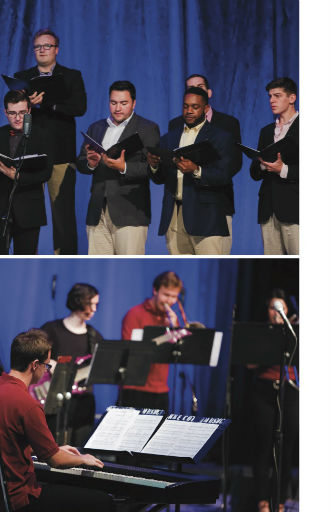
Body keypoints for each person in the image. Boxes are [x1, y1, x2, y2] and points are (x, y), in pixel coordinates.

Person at [0, 329, 112, 512]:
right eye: (46, 366)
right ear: (35, 365)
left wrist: (54, 449)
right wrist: (83, 459)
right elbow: (56, 461)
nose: (46, 371)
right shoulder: (27, 404)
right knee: (102, 502)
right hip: (18, 500)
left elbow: (7, 444)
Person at [13, 28, 86, 255]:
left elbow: (79, 108)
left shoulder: (71, 76)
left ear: (57, 50)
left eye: (47, 46)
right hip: (30, 151)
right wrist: (28, 106)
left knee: (62, 214)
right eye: (38, 47)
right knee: (27, 212)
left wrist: (49, 104)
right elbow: (13, 113)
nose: (42, 50)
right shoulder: (22, 78)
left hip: (61, 154)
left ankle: (64, 257)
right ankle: (25, 256)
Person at [147, 87, 234, 255]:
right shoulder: (169, 138)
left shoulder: (220, 137)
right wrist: (154, 165)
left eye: (195, 107)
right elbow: (159, 179)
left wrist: (196, 170)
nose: (189, 111)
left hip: (206, 217)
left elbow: (224, 175)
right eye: (186, 106)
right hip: (174, 216)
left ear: (206, 109)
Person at [77, 81, 160, 254]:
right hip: (97, 212)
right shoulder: (96, 127)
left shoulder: (147, 128)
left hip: (129, 212)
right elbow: (81, 163)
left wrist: (124, 167)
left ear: (134, 103)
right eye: (113, 103)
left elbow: (153, 168)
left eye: (123, 103)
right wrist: (90, 164)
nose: (117, 108)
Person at [168, 74, 242, 253]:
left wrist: (200, 172)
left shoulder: (227, 124)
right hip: (180, 209)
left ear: (209, 93)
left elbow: (233, 164)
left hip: (214, 205)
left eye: (200, 87)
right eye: (190, 88)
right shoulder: (176, 124)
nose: (195, 90)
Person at [0, 90, 52, 254]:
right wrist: (0, 169)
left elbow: (46, 173)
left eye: (22, 113)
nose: (17, 118)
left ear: (29, 111)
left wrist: (18, 176)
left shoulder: (41, 135)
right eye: (12, 113)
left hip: (29, 212)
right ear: (5, 112)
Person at [36, 283, 103, 445]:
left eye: (96, 305)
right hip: (53, 400)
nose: (94, 309)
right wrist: (51, 364)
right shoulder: (51, 329)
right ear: (78, 301)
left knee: (79, 447)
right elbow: (35, 355)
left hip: (82, 404)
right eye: (90, 304)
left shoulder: (94, 336)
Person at [250, 290, 298, 512]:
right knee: (262, 447)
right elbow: (249, 364)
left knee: (286, 449)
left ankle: (279, 501)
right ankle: (262, 502)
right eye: (272, 307)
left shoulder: (295, 331)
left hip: (290, 390)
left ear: (287, 309)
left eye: (281, 307)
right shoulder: (261, 331)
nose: (276, 312)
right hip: (264, 390)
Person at [119, 271, 183, 411]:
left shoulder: (172, 319)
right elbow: (130, 349)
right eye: (166, 295)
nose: (169, 301)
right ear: (155, 290)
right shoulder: (135, 314)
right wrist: (165, 336)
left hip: (160, 388)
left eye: (174, 297)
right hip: (135, 388)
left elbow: (176, 350)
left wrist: (175, 328)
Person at [249, 77, 299, 255]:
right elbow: (254, 172)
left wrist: (283, 169)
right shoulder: (266, 131)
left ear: (292, 98)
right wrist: (264, 165)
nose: (272, 100)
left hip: (295, 209)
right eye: (270, 96)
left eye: (277, 96)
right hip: (268, 209)